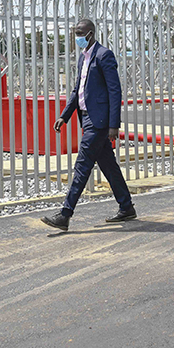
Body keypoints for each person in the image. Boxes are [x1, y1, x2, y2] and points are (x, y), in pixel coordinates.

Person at [41, 19, 136, 231]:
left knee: (82, 165)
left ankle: (65, 214)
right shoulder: (83, 59)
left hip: (99, 122)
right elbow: (78, 91)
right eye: (75, 33)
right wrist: (64, 116)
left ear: (91, 34)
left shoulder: (104, 55)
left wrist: (114, 124)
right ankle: (126, 206)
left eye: (80, 33)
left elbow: (115, 90)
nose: (77, 37)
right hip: (87, 118)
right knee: (108, 165)